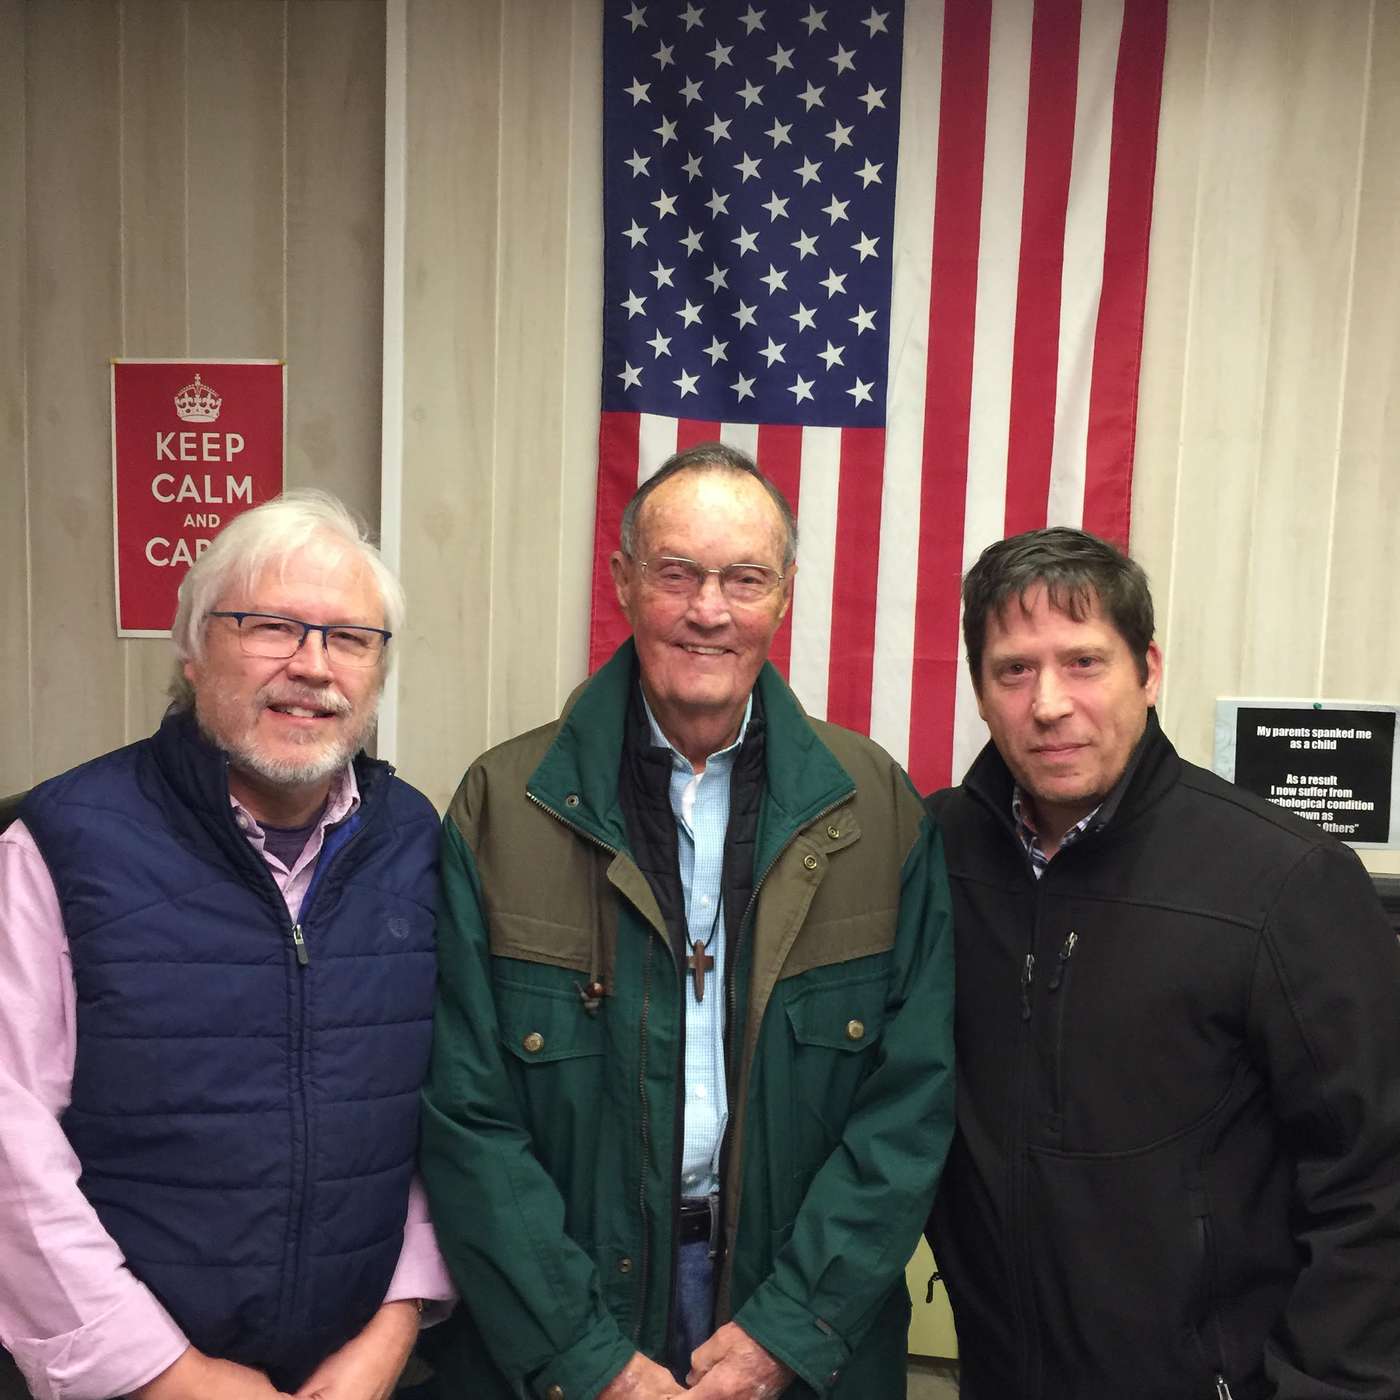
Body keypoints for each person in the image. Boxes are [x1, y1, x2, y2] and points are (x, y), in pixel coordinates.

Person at [420, 443, 955, 1399]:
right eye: (678, 574)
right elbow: (466, 1118)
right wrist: (588, 1359)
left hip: (800, 1322)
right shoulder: (502, 809)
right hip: (569, 1318)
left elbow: (910, 1106)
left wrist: (787, 1333)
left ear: (784, 596)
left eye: (745, 578)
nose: (710, 610)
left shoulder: (876, 809)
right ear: (623, 581)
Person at [925, 527, 1400, 1399]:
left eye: (1084, 662)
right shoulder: (933, 856)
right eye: (1014, 670)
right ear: (981, 692)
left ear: (1148, 670)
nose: (1049, 704)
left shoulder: (1285, 880)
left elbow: (1374, 1182)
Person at [0, 490, 454, 1400]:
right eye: (272, 627)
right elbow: (12, 1147)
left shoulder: (414, 841)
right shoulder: (59, 844)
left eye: (349, 638)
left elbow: (439, 1112)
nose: (313, 667)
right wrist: (168, 1375)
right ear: (193, 649)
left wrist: (396, 1325)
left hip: (358, 1375)